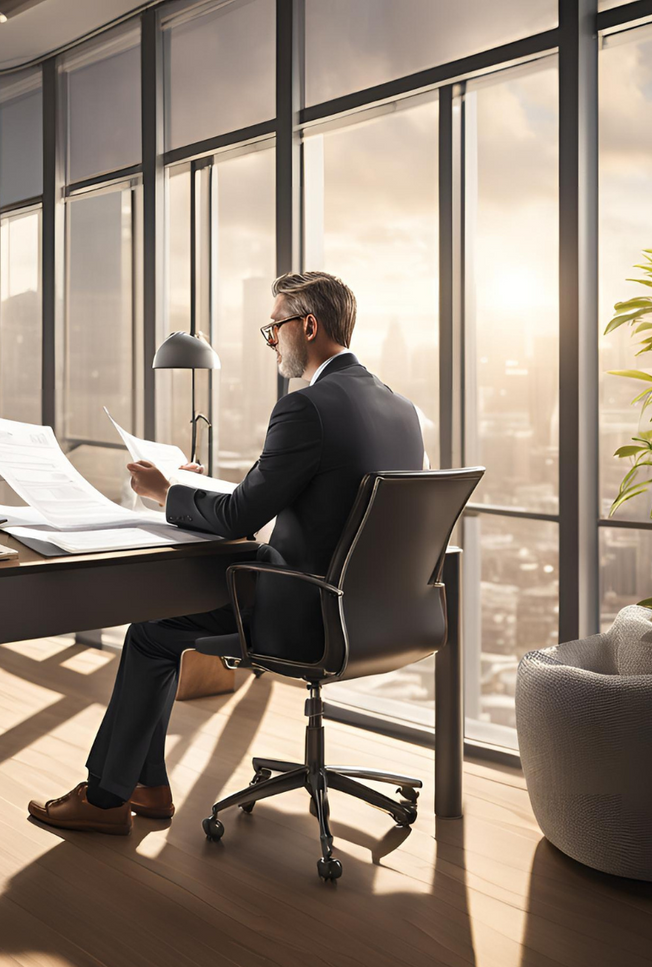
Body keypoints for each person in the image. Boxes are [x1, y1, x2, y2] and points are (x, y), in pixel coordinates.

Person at [29, 271, 426, 834]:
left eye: (274, 329)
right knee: (160, 628)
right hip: (379, 616)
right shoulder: (401, 409)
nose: (273, 344)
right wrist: (205, 490)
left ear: (307, 325)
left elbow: (243, 516)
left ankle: (105, 797)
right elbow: (310, 498)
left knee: (149, 631)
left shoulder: (307, 407)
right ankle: (147, 786)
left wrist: (167, 493)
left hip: (304, 614)